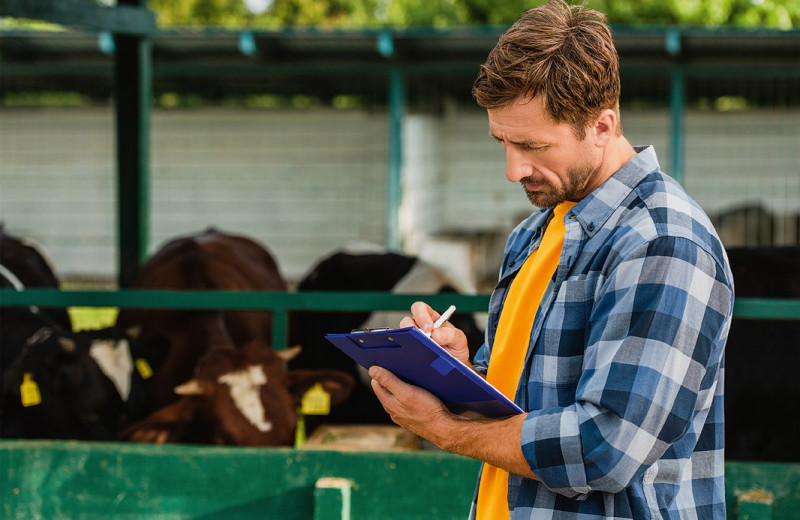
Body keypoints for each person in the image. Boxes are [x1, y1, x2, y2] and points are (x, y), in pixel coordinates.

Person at [367, 1, 734, 519]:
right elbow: (519, 407)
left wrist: (444, 429)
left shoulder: (663, 242)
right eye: (503, 142)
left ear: (603, 126)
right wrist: (454, 371)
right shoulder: (534, 234)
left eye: (532, 145)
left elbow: (604, 446)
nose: (513, 170)